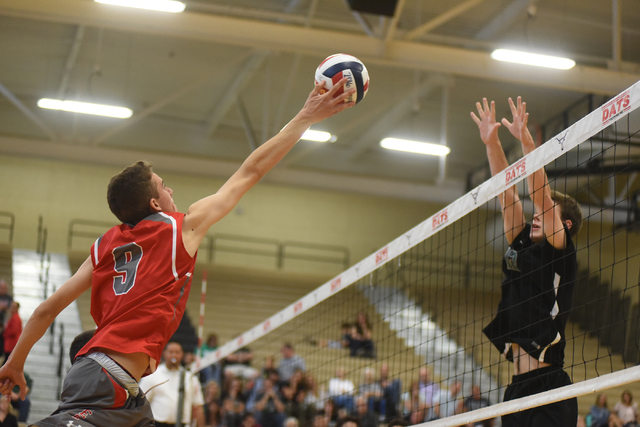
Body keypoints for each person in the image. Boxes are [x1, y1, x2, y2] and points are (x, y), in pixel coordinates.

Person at [0, 78, 355, 425]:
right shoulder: (179, 228)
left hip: (121, 386)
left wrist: (15, 362)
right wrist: (306, 116)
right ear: (155, 202)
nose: (171, 189)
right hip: (104, 380)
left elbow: (46, 310)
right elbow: (252, 170)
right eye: (163, 185)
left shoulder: (104, 245)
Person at [473, 97, 582, 427]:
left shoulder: (560, 252)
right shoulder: (520, 244)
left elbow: (540, 196)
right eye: (536, 216)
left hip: (549, 388)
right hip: (516, 391)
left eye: (545, 216)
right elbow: (507, 195)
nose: (536, 217)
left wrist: (527, 142)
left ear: (565, 226)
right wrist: (491, 143)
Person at [139, 341, 205, 427]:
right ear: (164, 353)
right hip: (157, 423)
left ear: (182, 355)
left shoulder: (191, 378)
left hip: (182, 424)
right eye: (171, 352)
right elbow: (141, 404)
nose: (174, 355)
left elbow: (198, 406)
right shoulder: (152, 375)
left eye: (177, 352)